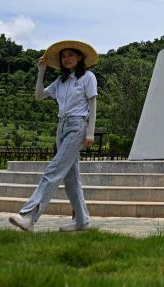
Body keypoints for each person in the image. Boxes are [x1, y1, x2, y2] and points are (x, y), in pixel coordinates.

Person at [8, 40, 98, 232]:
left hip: (77, 126)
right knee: (71, 178)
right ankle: (82, 221)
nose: (66, 59)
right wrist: (41, 71)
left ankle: (29, 216)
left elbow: (92, 105)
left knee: (53, 169)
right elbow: (39, 96)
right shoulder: (61, 81)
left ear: (80, 57)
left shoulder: (88, 77)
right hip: (61, 127)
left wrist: (90, 132)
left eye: (70, 55)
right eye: (63, 56)